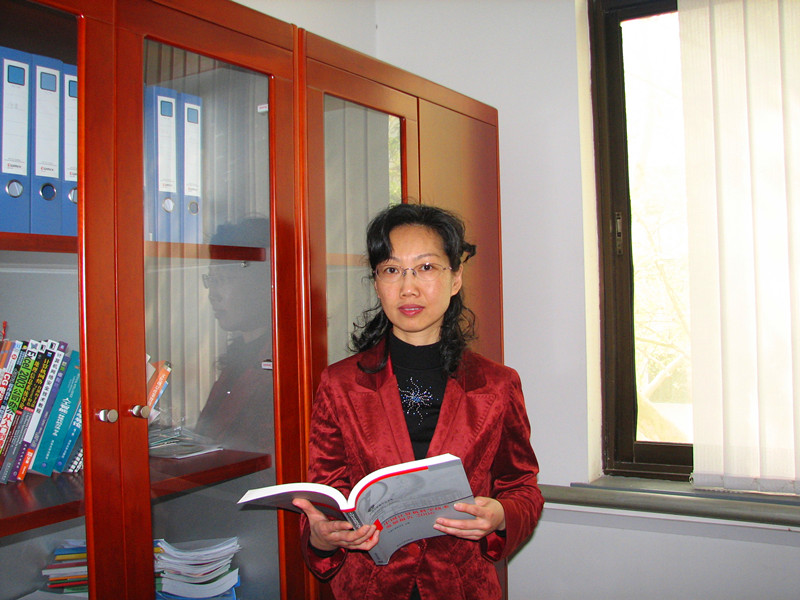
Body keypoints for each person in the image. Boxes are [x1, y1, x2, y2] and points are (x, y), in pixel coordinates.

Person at [293, 203, 544, 600]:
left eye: (426, 267)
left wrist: (500, 515)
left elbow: (522, 487)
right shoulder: (340, 384)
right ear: (377, 282)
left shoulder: (497, 385)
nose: (408, 288)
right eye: (392, 270)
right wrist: (321, 537)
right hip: (370, 587)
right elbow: (326, 496)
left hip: (461, 587)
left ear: (455, 278)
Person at [193, 217, 273, 452]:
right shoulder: (239, 356)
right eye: (211, 280)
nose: (213, 294)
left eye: (224, 280)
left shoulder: (282, 364)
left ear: (263, 283)